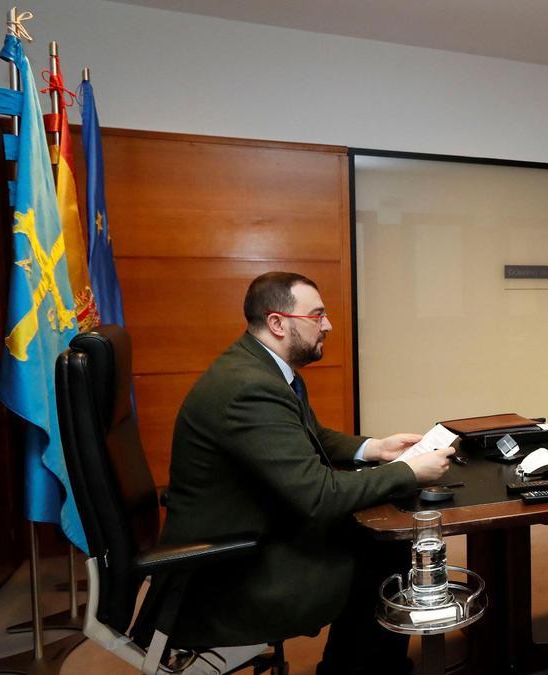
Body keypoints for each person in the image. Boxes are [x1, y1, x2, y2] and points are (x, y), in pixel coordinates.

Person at [158, 271, 455, 674]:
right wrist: (408, 471)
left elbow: (310, 435)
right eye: (317, 316)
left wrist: (376, 447)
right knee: (382, 555)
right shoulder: (249, 387)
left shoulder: (264, 368)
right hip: (228, 572)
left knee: (382, 542)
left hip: (252, 531)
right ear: (278, 322)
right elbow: (319, 496)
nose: (328, 325)